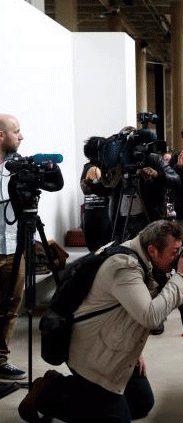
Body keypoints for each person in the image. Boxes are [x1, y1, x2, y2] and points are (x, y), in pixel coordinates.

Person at [18, 220, 183, 423]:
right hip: (92, 353)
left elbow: (129, 308)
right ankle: (47, 394)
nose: (178, 258)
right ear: (152, 250)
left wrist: (135, 351)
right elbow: (150, 316)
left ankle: (65, 386)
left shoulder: (138, 253)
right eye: (174, 252)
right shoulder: (124, 266)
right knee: (116, 420)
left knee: (141, 403)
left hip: (111, 340)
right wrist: (182, 275)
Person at [0, 114, 63, 380]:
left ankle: (0, 361)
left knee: (12, 306)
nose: (21, 136)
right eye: (16, 131)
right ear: (1, 136)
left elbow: (55, 186)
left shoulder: (21, 168)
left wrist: (53, 170)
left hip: (15, 249)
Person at [110, 126, 180, 242]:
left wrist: (157, 174)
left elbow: (176, 180)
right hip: (121, 221)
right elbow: (106, 188)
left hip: (148, 217)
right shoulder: (116, 162)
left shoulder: (153, 159)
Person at [80, 136, 113, 252]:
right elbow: (104, 191)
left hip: (92, 220)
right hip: (100, 222)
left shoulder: (88, 168)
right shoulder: (94, 170)